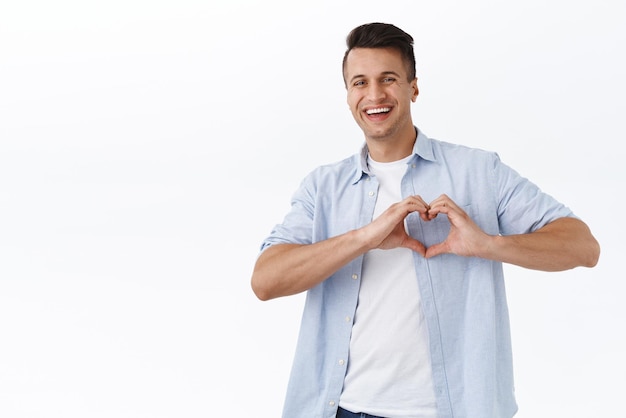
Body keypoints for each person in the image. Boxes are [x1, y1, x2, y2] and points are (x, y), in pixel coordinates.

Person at [250, 22, 600, 418]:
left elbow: (583, 247)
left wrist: (488, 244)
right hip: (342, 409)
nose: (375, 95)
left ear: (413, 87)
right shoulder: (323, 187)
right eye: (360, 82)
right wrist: (365, 237)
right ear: (348, 95)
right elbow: (265, 281)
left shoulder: (478, 171)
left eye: (388, 79)